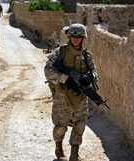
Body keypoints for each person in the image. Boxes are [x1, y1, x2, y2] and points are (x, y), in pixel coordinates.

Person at [44, 23, 98, 161]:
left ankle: (74, 153)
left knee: (79, 124)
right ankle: (59, 149)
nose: (76, 39)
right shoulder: (60, 52)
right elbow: (48, 70)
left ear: (82, 38)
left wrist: (90, 76)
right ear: (69, 37)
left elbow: (94, 70)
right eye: (73, 36)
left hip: (79, 96)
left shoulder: (87, 55)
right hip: (62, 95)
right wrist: (64, 78)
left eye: (78, 36)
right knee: (61, 126)